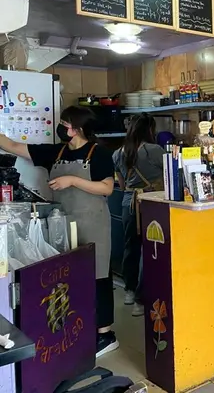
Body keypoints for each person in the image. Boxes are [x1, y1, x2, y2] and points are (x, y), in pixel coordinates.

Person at [0, 106, 118, 357]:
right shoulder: (56, 151)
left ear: (79, 128)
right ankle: (81, 328)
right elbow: (12, 146)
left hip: (93, 223)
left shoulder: (99, 153)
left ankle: (105, 334)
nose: (61, 127)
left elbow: (107, 188)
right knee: (70, 277)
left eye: (65, 124)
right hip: (62, 224)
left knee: (98, 276)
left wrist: (72, 180)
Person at [112, 114, 164, 317]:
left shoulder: (117, 153)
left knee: (131, 246)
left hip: (128, 203)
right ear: (149, 130)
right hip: (151, 203)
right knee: (150, 249)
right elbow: (172, 173)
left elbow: (122, 184)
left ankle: (129, 291)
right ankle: (141, 301)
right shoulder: (154, 150)